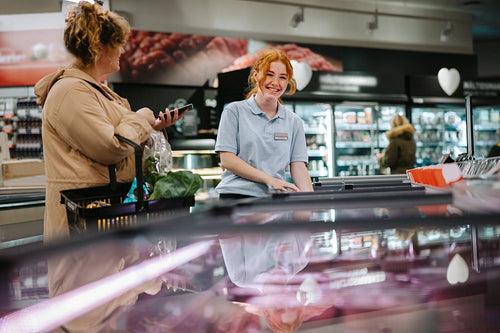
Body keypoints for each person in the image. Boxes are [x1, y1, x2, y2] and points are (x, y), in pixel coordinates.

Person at [34, 1, 183, 242]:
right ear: (99, 48)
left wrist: (151, 129)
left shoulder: (98, 92)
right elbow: (110, 147)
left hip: (105, 217)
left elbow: (121, 147)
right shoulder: (71, 92)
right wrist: (142, 116)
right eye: (119, 44)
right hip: (81, 228)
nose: (123, 51)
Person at [215, 49, 314, 199]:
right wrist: (268, 179)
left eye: (282, 77)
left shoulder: (294, 121)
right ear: (256, 75)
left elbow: (298, 166)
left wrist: (311, 202)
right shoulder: (234, 111)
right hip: (236, 196)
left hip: (275, 198)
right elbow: (227, 159)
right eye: (269, 74)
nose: (275, 82)